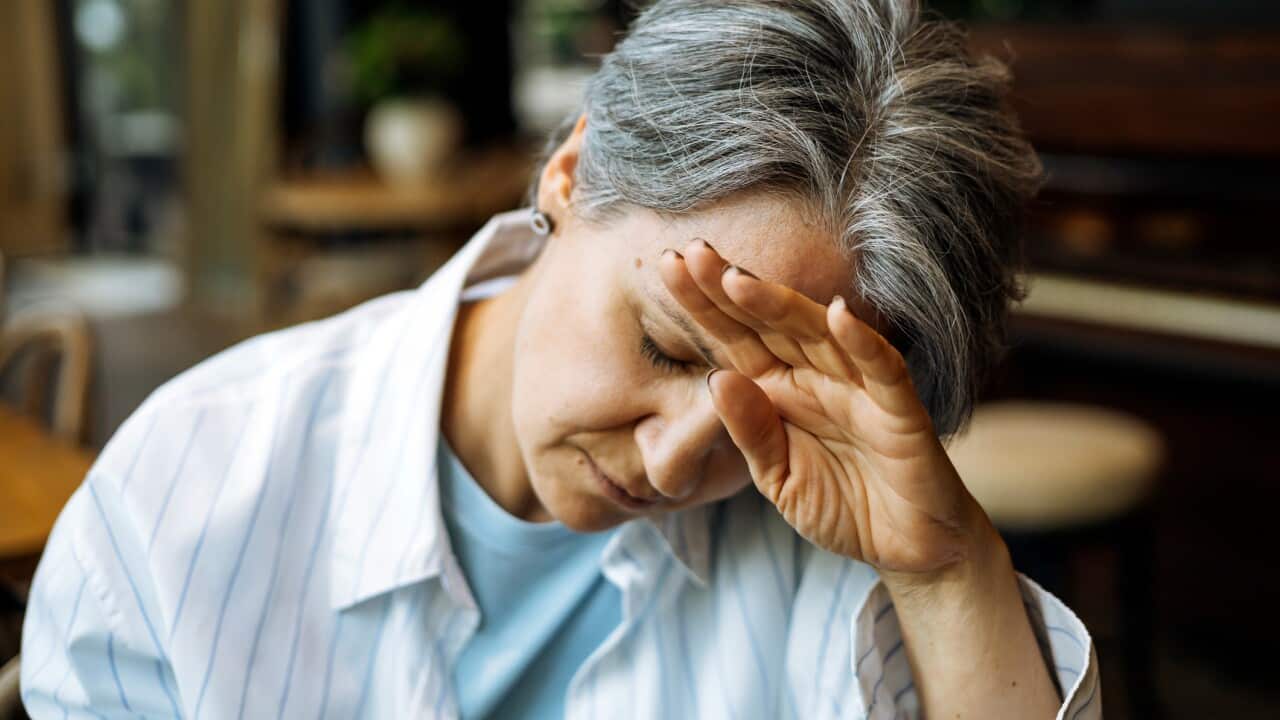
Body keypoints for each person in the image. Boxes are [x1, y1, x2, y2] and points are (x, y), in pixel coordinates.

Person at [21, 1, 1100, 718]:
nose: (675, 464)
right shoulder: (174, 507)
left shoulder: (826, 544)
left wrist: (945, 574)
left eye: (769, 414)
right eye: (665, 344)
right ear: (571, 174)